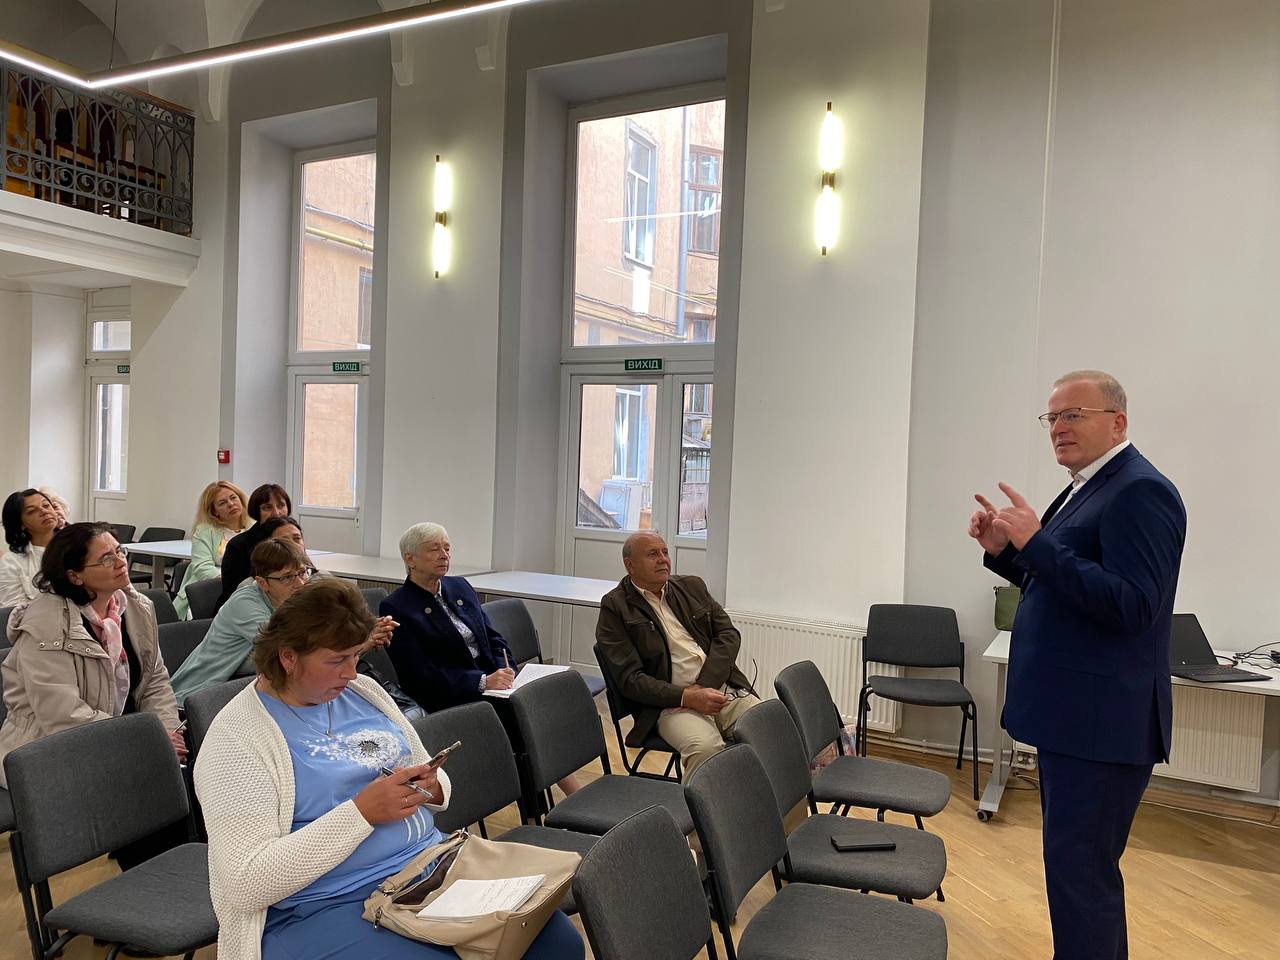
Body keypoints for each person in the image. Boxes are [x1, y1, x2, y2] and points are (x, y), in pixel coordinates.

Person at [193, 576, 583, 960]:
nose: (351, 672)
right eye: (337, 660)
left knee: (557, 942)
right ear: (288, 657)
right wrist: (362, 812)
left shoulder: (363, 692)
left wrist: (431, 786)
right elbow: (245, 882)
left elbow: (426, 772)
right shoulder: (238, 738)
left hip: (426, 866)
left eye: (356, 656)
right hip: (325, 902)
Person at [971, 370, 1186, 960]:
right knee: (1077, 876)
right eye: (1052, 418)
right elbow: (1061, 584)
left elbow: (1134, 606)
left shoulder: (1140, 490)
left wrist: (1036, 543)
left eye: (1073, 415)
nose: (1058, 428)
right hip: (1076, 722)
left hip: (1102, 727)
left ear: (1118, 422)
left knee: (1082, 880)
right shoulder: (1086, 487)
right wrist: (1006, 553)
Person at [0, 522, 186, 788]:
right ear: (75, 576)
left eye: (119, 551)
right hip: (48, 751)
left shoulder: (137, 607)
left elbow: (154, 681)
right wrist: (148, 738)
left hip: (122, 736)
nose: (121, 562)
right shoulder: (45, 625)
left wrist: (167, 730)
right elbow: (63, 716)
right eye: (106, 558)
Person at [596, 531, 760, 779]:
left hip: (719, 688)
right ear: (630, 565)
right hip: (668, 704)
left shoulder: (691, 587)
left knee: (770, 726)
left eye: (665, 552)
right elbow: (630, 680)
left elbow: (728, 634)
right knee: (706, 748)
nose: (663, 559)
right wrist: (687, 697)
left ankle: (764, 803)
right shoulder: (615, 607)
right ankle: (701, 806)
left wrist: (704, 686)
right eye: (653, 554)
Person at [381, 522, 517, 709]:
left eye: (447, 548)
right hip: (452, 693)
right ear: (410, 559)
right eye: (434, 549)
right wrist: (482, 682)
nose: (444, 555)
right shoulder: (396, 606)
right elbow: (419, 673)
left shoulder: (460, 586)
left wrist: (507, 670)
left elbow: (492, 637)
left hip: (493, 682)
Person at [170, 539, 315, 706]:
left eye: (303, 572)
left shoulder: (289, 599)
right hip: (201, 694)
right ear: (262, 583)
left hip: (243, 688)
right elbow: (288, 646)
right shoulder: (245, 603)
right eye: (287, 577)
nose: (300, 583)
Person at [173, 481, 253, 619]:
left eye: (233, 498)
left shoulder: (255, 528)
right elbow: (202, 567)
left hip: (251, 589)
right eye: (222, 503)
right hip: (210, 590)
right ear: (214, 511)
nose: (231, 504)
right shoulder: (204, 531)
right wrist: (233, 581)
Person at [216, 483, 292, 611]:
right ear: (257, 512)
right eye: (267, 507)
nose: (276, 513)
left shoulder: (292, 539)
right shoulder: (238, 546)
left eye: (281, 506)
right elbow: (234, 593)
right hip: (244, 608)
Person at [1, 489, 60, 606]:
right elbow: (13, 608)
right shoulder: (11, 562)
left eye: (46, 505)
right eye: (32, 511)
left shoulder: (77, 545)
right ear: (21, 524)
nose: (44, 511)